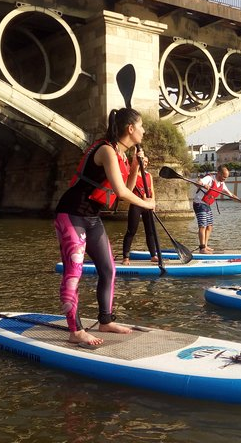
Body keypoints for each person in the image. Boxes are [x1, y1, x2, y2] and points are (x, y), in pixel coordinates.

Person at [53, 107, 155, 346]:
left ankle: (105, 320)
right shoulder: (106, 150)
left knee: (109, 269)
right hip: (71, 214)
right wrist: (148, 204)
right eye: (141, 126)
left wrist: (136, 167)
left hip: (92, 217)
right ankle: (75, 330)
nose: (144, 130)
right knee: (74, 272)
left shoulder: (120, 155)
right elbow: (121, 192)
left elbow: (123, 191)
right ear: (130, 129)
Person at [121, 155, 158, 265]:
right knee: (131, 231)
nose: (144, 163)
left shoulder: (148, 175)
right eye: (143, 161)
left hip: (148, 205)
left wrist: (153, 203)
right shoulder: (132, 175)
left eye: (146, 161)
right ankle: (126, 257)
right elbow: (129, 189)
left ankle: (153, 255)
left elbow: (152, 191)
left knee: (150, 231)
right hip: (136, 204)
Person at [192, 165, 234, 254]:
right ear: (219, 173)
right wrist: (203, 184)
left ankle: (206, 246)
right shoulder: (209, 178)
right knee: (202, 225)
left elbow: (231, 195)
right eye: (224, 177)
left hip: (207, 205)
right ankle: (202, 248)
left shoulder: (222, 184)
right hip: (199, 203)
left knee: (210, 226)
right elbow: (197, 182)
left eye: (226, 177)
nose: (225, 179)